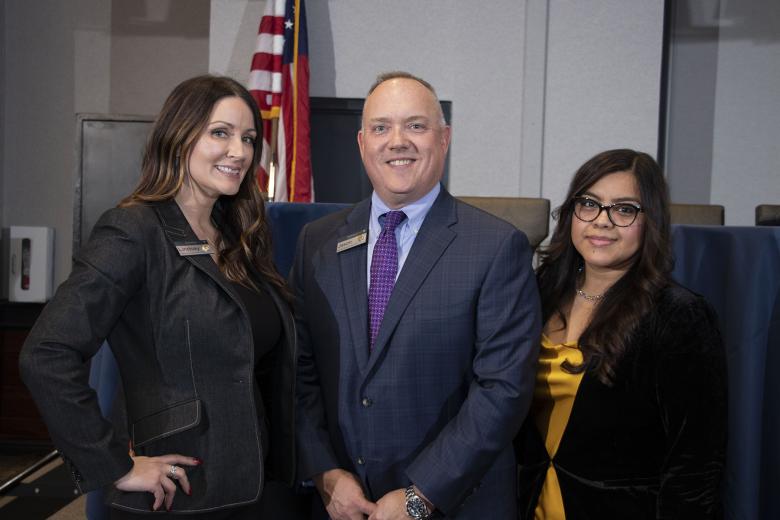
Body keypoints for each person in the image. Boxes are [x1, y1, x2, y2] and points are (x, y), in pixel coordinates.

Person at [19, 75, 302, 518]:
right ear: (179, 135)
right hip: (179, 494)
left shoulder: (241, 235)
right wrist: (112, 464)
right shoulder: (133, 230)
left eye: (248, 138)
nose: (240, 151)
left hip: (261, 488)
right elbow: (46, 353)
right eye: (220, 133)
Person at [290, 71, 541, 520]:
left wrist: (420, 495)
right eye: (381, 127)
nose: (397, 141)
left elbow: (502, 390)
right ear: (362, 142)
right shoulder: (318, 243)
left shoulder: (496, 246)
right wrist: (326, 472)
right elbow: (298, 371)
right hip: (341, 506)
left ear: (444, 139)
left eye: (416, 126)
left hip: (454, 504)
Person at [515, 149, 727, 519]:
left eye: (624, 209)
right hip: (525, 504)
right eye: (590, 204)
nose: (602, 221)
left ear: (651, 222)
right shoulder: (538, 292)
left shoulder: (679, 315)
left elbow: (695, 467)